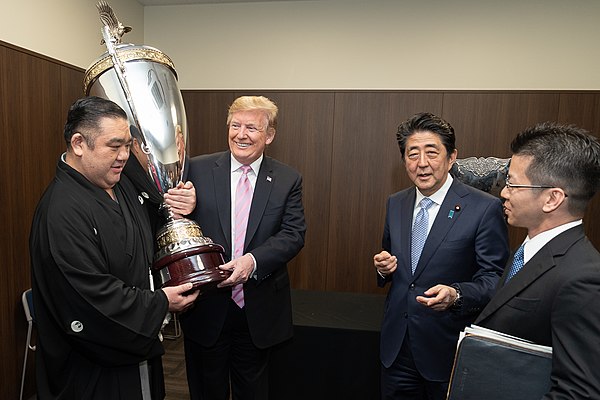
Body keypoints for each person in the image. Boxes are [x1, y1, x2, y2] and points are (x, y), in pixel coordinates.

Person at [30, 96, 200, 400]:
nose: (125, 155)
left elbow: (156, 220)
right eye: (114, 145)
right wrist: (161, 303)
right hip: (91, 373)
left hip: (138, 356)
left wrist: (179, 204)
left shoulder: (119, 183)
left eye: (128, 144)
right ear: (79, 143)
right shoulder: (61, 212)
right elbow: (91, 298)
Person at [373, 112, 509, 400]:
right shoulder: (395, 203)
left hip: (447, 349)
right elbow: (395, 263)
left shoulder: (484, 208)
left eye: (431, 152)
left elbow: (495, 279)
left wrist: (456, 295)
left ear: (451, 158)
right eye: (412, 154)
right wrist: (383, 268)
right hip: (397, 349)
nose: (421, 163)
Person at [180, 95, 306, 400]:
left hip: (258, 307)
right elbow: (174, 222)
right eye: (235, 125)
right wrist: (181, 208)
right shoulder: (195, 169)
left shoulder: (288, 178)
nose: (241, 134)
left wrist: (252, 262)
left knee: (254, 389)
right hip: (207, 305)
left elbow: (293, 234)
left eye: (252, 127)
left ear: (270, 135)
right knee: (207, 389)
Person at [474, 122, 600, 398]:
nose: (503, 192)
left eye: (512, 183)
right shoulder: (527, 250)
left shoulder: (583, 279)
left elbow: (577, 393)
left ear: (552, 199)